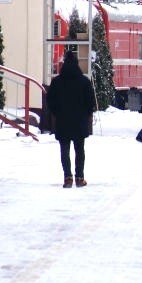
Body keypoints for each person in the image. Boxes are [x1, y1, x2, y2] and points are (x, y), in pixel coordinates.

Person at [46, 51, 96, 188]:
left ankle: (67, 178)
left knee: (64, 149)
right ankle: (80, 178)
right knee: (79, 149)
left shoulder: (56, 81)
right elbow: (90, 101)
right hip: (80, 121)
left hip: (63, 120)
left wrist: (57, 113)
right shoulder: (84, 81)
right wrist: (86, 114)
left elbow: (50, 100)